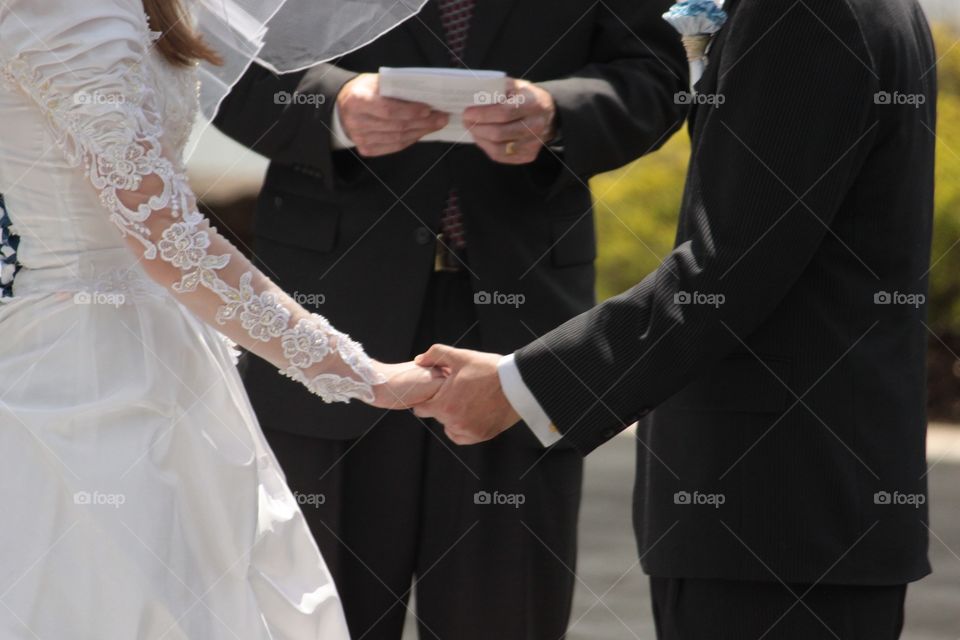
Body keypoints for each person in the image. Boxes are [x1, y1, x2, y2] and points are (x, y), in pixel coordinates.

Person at [413, 0, 937, 638]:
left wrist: (523, 386)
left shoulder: (802, 14)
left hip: (772, 508)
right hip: (796, 502)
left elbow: (730, 267)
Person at [213, 1, 687, 637]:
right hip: (327, 318)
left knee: (504, 615)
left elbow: (657, 75)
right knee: (312, 617)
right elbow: (215, 56)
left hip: (523, 321)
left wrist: (557, 113)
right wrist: (331, 106)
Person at [0, 0, 439, 637]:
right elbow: (166, 238)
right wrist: (355, 371)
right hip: (85, 356)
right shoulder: (67, 16)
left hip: (157, 340)